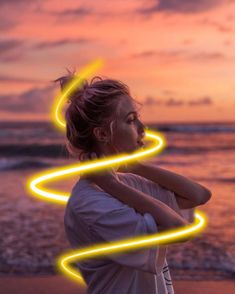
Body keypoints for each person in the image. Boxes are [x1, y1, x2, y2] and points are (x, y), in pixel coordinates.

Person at [54, 70, 212, 294]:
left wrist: (136, 167)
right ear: (102, 134)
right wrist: (113, 186)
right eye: (130, 120)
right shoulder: (89, 204)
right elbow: (177, 230)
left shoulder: (127, 182)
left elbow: (199, 195)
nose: (142, 128)